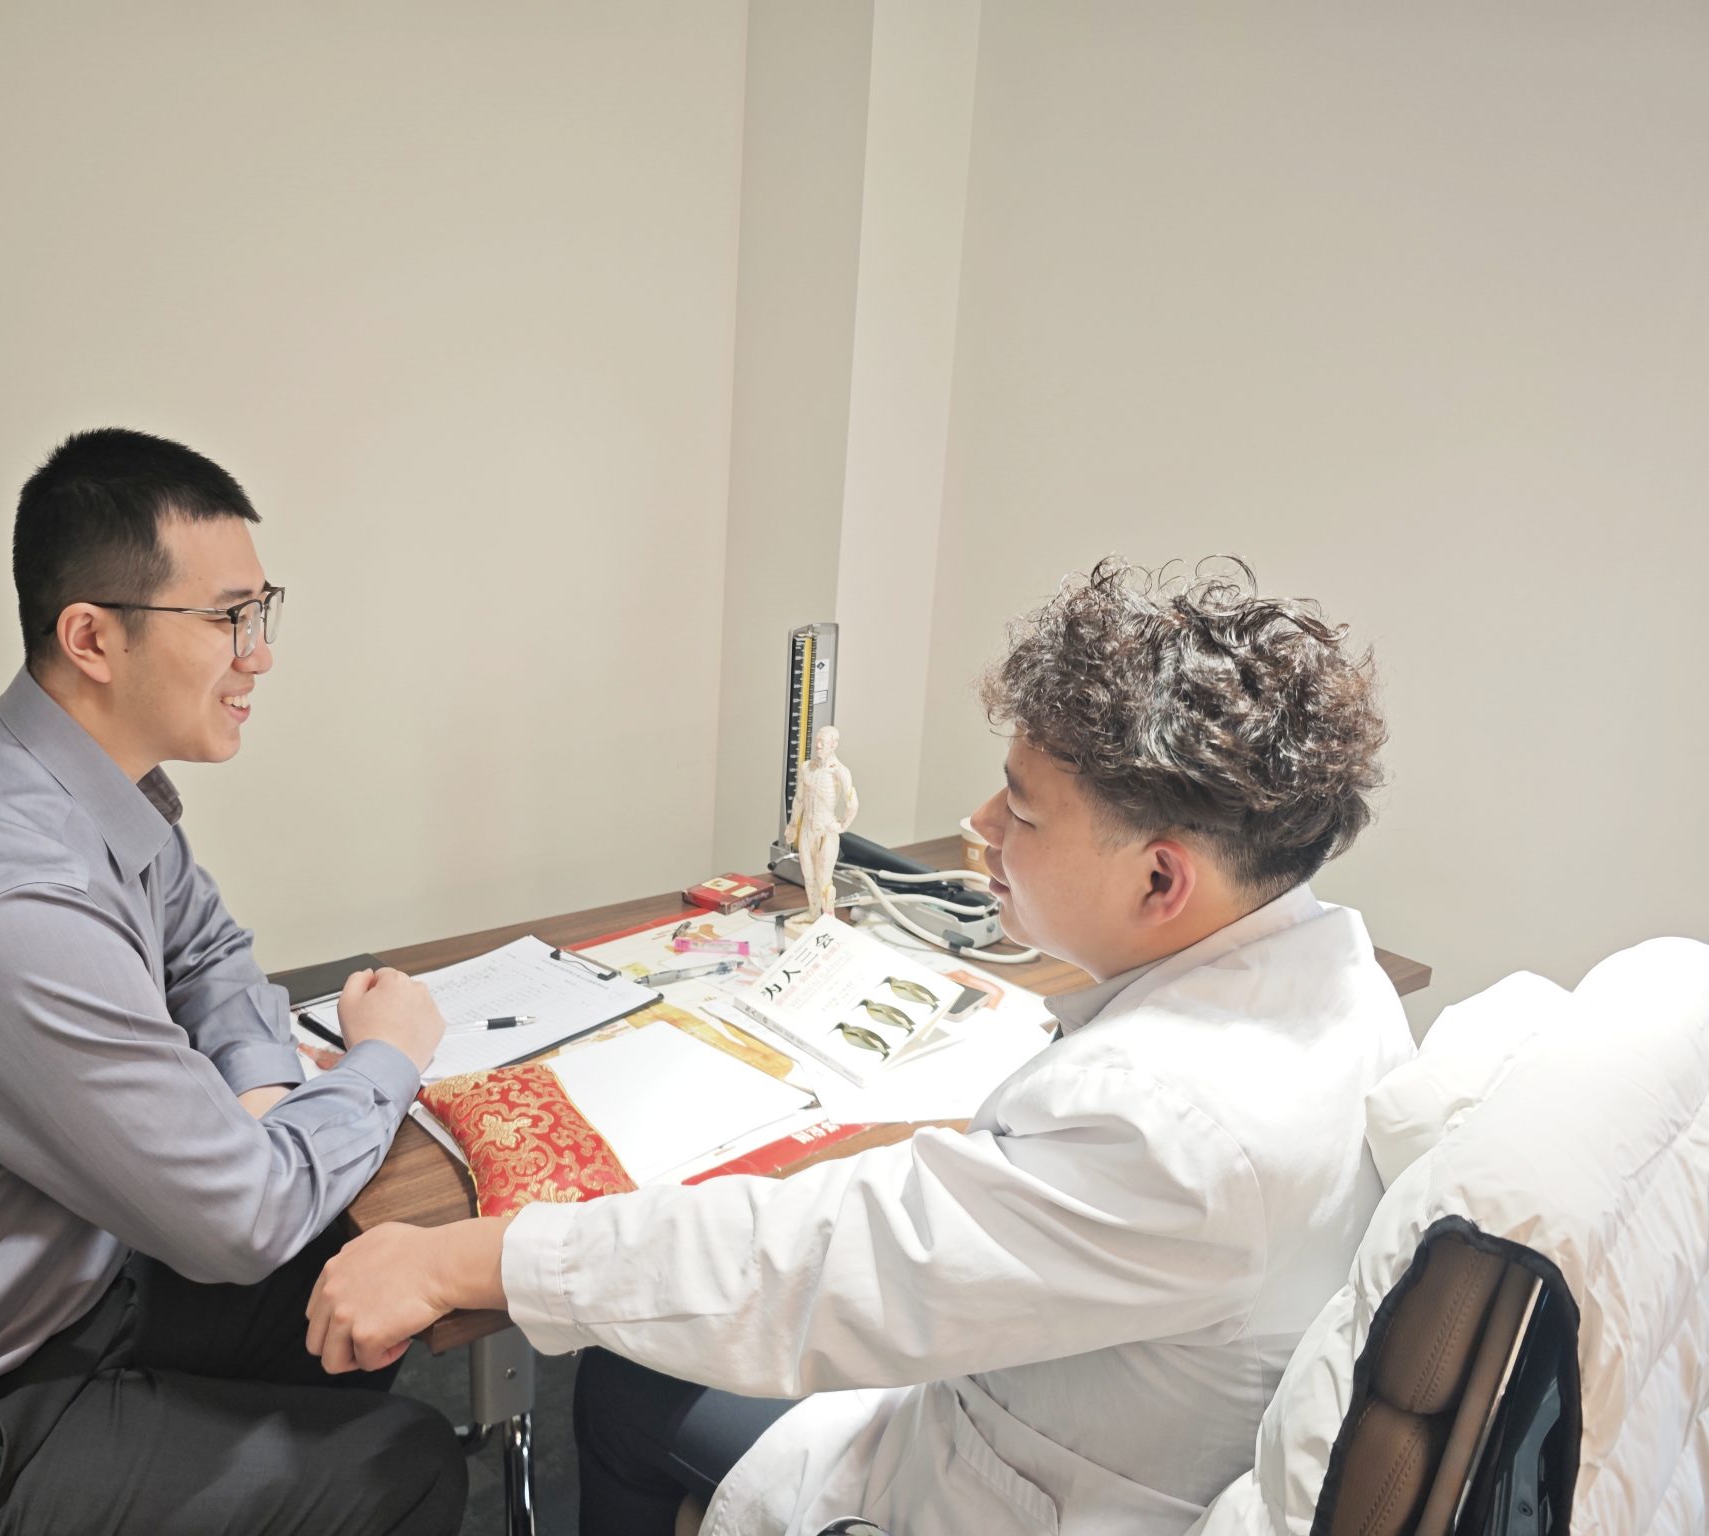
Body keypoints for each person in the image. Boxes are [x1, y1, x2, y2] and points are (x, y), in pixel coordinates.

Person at [304, 557, 1415, 1536]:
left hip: (1026, 1486)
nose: (981, 827)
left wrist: (464, 1258)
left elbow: (812, 1269)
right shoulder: (1337, 976)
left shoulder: (1170, 1128)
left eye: (1023, 811)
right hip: (1088, 1388)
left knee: (626, 1383)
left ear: (1161, 877)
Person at [0, 428, 466, 1536]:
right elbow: (246, 1215)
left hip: (45, 1300)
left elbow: (206, 949)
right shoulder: (17, 906)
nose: (258, 655)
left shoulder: (49, 768)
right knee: (403, 1464)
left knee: (346, 1291)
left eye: (261, 611)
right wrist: (386, 1056)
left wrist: (265, 1091)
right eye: (228, 618)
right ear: (91, 638)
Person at [783, 725, 859, 922]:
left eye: (822, 742)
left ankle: (827, 920)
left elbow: (852, 803)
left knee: (824, 879)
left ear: (833, 744)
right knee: (808, 875)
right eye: (817, 741)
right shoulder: (807, 767)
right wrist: (792, 825)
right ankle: (813, 913)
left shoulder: (840, 772)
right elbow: (799, 799)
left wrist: (842, 826)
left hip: (826, 830)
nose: (818, 745)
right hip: (807, 830)